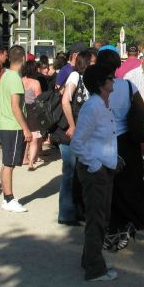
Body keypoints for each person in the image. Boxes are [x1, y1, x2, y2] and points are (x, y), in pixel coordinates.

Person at [95, 49, 144, 249]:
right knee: (129, 186)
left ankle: (112, 229)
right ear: (117, 66)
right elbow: (141, 112)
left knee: (109, 189)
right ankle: (127, 224)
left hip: (105, 142)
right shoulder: (128, 86)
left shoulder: (96, 88)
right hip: (127, 142)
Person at [71, 64, 121, 282]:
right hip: (95, 172)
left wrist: (113, 159)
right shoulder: (93, 107)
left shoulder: (103, 104)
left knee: (101, 218)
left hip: (103, 169)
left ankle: (90, 259)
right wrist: (95, 165)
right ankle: (94, 269)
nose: (114, 80)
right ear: (101, 84)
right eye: (110, 77)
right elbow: (77, 143)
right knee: (97, 220)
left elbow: (103, 138)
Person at [56, 50, 93, 225]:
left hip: (83, 134)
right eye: (93, 62)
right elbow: (65, 101)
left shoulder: (89, 80)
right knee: (70, 173)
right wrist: (72, 125)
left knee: (80, 173)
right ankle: (66, 213)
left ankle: (78, 210)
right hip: (71, 134)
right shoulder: (75, 76)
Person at [0, 46, 32, 213]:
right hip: (13, 125)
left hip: (5, 123)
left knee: (6, 163)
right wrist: (26, 129)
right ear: (23, 59)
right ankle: (9, 198)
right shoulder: (15, 78)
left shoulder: (5, 75)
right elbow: (15, 106)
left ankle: (6, 197)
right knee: (9, 164)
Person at [20, 59, 44, 170]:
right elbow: (39, 99)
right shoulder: (35, 83)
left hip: (22, 110)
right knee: (34, 138)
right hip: (33, 111)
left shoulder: (20, 81)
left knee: (25, 136)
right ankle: (31, 162)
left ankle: (23, 158)